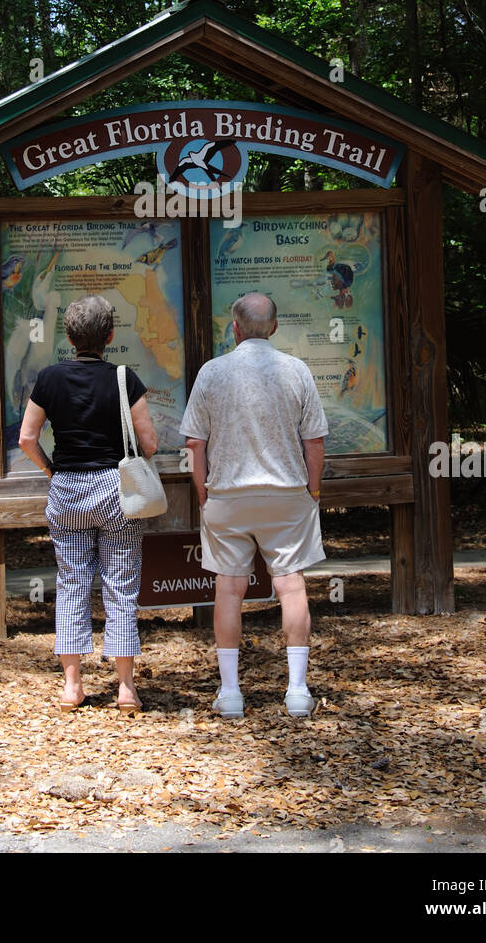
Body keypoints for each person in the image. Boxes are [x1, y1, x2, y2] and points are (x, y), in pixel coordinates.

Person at [180, 293, 327, 719]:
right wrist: (312, 491)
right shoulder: (297, 371)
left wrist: (204, 492)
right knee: (291, 586)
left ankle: (230, 693)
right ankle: (297, 691)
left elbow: (194, 442)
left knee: (229, 588)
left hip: (227, 494)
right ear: (275, 327)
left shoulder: (212, 372)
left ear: (236, 328)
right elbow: (313, 442)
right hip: (286, 494)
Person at [18, 294, 158, 714]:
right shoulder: (123, 379)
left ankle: (72, 685)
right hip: (117, 491)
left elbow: (27, 439)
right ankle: (126, 688)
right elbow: (148, 442)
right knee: (120, 585)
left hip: (68, 491)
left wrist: (51, 469)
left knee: (72, 584)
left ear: (68, 336)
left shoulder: (48, 379)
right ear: (110, 336)